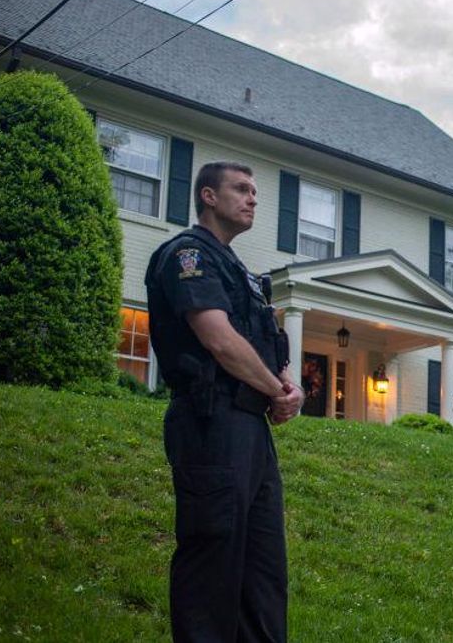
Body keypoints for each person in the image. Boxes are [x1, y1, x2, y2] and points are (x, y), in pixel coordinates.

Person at [146, 162, 304, 642]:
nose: (253, 198)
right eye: (241, 189)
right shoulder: (188, 254)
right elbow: (218, 339)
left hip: (251, 429)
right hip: (209, 422)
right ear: (208, 196)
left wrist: (289, 384)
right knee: (211, 563)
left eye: (255, 191)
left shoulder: (247, 276)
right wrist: (275, 391)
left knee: (264, 569)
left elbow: (268, 346)